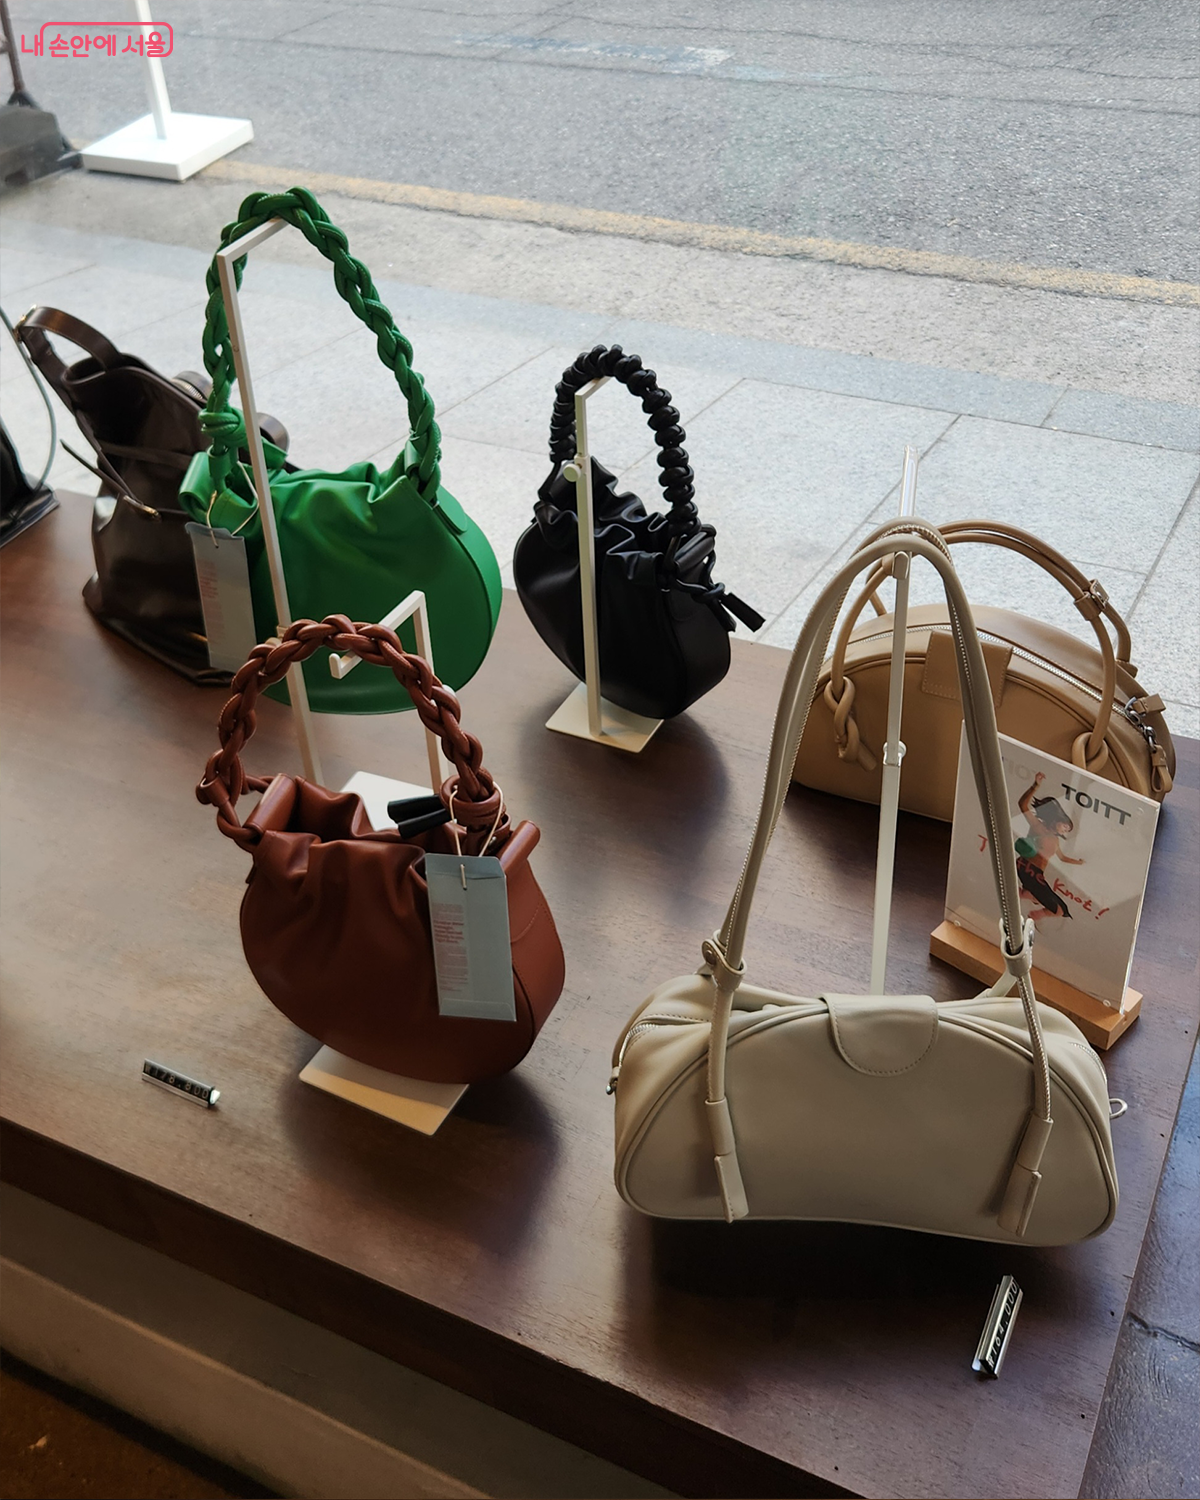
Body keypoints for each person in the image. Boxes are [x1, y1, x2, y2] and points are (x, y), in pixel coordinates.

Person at [1014, 773, 1084, 923]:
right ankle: (1035, 914)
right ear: (1059, 820)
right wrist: (1035, 786)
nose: (1064, 831)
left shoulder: (1055, 840)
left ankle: (1024, 894)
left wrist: (1080, 862)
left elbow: (1062, 858)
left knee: (1040, 898)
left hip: (1033, 873)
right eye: (1065, 827)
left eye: (1067, 831)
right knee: (1060, 910)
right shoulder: (1038, 826)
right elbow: (1023, 805)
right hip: (1029, 870)